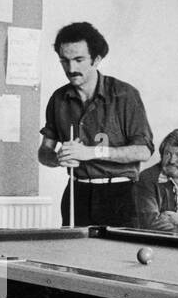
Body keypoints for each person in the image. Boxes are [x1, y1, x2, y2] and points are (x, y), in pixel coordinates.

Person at [38, 22, 154, 227]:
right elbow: (44, 152)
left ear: (97, 59)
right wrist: (57, 158)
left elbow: (143, 151)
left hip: (119, 195)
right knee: (73, 257)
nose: (71, 68)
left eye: (79, 60)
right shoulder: (58, 99)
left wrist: (92, 152)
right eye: (64, 61)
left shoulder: (125, 95)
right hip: (77, 194)